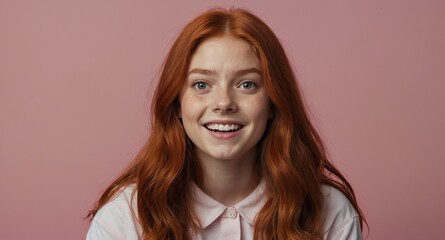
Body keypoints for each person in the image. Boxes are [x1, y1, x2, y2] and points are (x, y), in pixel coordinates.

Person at [86, 7, 366, 240]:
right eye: (201, 84)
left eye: (246, 84)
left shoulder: (331, 214)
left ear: (273, 103)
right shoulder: (122, 220)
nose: (223, 102)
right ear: (177, 104)